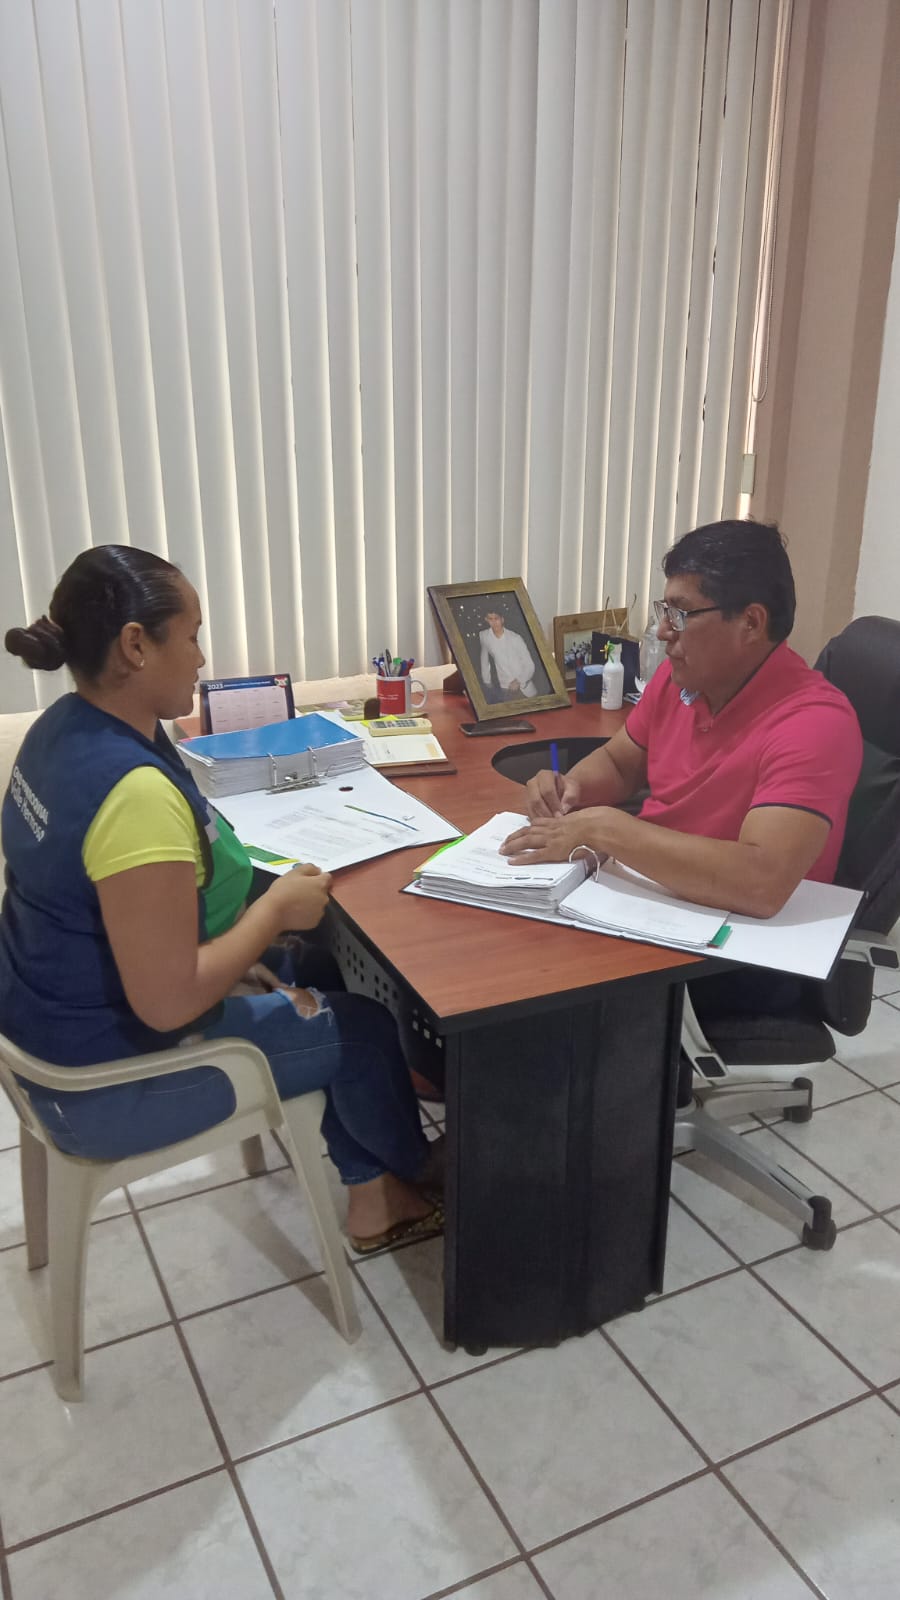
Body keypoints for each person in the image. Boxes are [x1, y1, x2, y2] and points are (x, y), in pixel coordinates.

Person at [0, 546, 441, 1254]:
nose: (202, 659)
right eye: (192, 635)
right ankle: (397, 1187)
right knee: (360, 1028)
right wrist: (270, 914)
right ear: (135, 645)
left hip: (46, 1023)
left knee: (317, 966)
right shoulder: (134, 796)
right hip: (102, 1084)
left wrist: (246, 951)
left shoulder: (61, 729)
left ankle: (372, 1180)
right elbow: (167, 1003)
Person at [501, 520, 864, 1019]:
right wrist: (573, 788)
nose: (662, 631)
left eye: (681, 613)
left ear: (751, 622)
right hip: (652, 900)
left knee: (523, 994)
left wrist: (608, 830)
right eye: (664, 610)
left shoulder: (814, 723)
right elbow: (620, 763)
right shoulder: (682, 681)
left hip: (735, 951)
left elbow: (761, 884)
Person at [479, 610, 538, 699]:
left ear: (502, 619)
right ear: (486, 619)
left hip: (524, 687)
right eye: (490, 619)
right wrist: (486, 680)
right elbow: (484, 659)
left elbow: (530, 665)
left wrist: (518, 681)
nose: (494, 622)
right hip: (505, 687)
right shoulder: (484, 636)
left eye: (496, 618)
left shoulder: (515, 638)